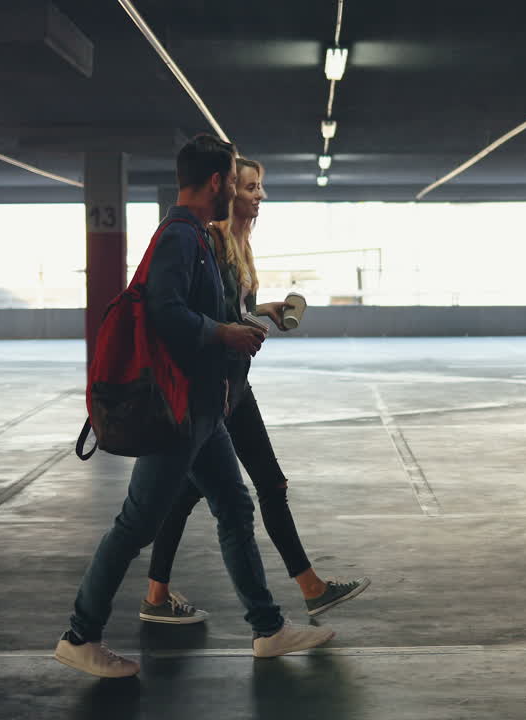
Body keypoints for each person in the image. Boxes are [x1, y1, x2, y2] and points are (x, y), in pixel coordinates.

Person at [54, 135, 335, 679]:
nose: (237, 187)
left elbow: (201, 308)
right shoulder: (180, 237)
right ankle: (80, 635)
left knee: (234, 506)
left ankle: (268, 628)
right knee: (135, 525)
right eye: (235, 179)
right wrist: (223, 333)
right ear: (217, 182)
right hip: (178, 415)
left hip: (206, 415)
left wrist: (237, 321)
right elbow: (165, 313)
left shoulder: (198, 238)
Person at [139, 157, 370, 626]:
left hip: (236, 385)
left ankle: (158, 597)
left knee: (196, 494)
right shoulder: (216, 240)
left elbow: (233, 308)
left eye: (261, 186)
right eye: (251, 186)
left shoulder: (243, 243)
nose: (259, 194)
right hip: (220, 388)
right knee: (256, 487)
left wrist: (262, 309)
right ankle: (305, 591)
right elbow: (213, 315)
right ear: (229, 191)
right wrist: (241, 323)